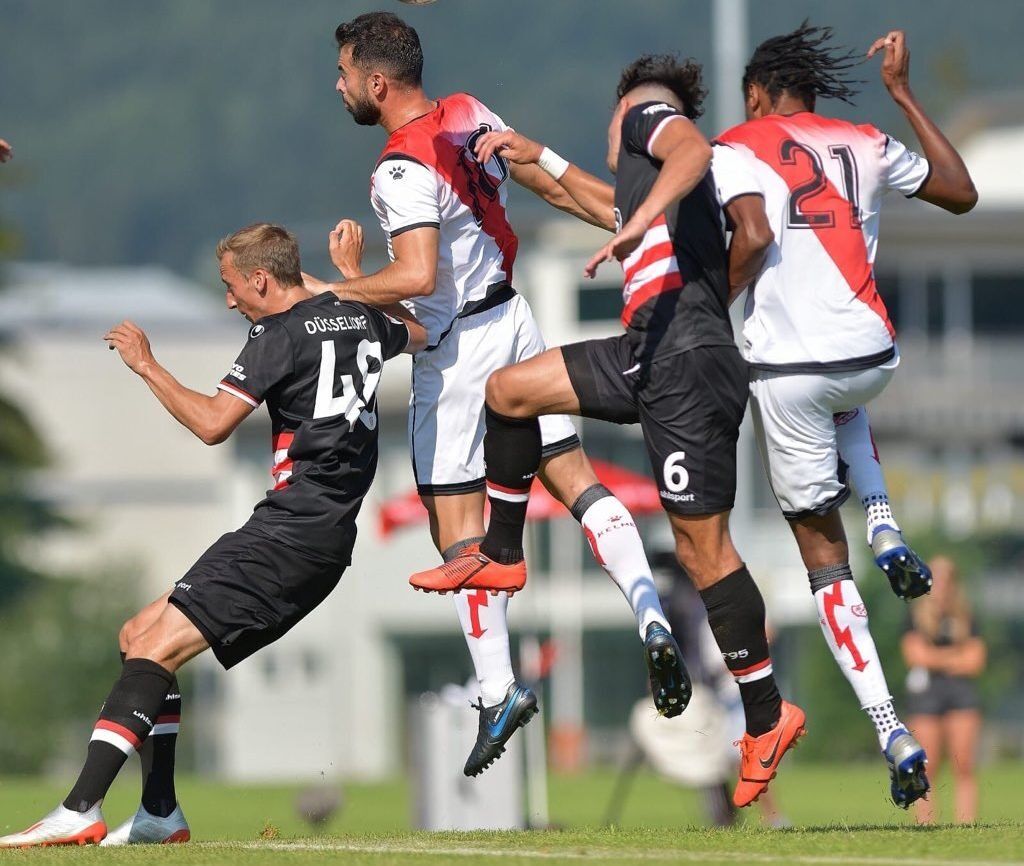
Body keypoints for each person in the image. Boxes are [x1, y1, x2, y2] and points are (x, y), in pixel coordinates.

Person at [424, 54, 805, 808]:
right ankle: (502, 553)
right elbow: (610, 204)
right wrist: (544, 160)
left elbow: (686, 153)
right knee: (510, 392)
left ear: (623, 108)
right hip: (649, 354)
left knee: (704, 551)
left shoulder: (647, 117)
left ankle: (767, 714)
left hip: (684, 365)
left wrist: (635, 215)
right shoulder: (652, 181)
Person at [315, 12, 690, 777]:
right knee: (573, 476)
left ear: (377, 84)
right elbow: (550, 184)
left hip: (459, 357)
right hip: (516, 318)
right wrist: (629, 219)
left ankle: (498, 689)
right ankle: (652, 613)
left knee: (456, 529)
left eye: (346, 75)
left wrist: (336, 288)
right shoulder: (469, 112)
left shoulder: (396, 169)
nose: (341, 86)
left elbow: (419, 280)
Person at [0, 224, 426, 848]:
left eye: (231, 286)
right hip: (311, 533)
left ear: (259, 280)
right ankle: (159, 812)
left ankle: (80, 808)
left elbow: (211, 424)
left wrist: (146, 365)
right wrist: (351, 281)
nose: (229, 301)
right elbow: (418, 330)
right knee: (138, 635)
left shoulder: (275, 337)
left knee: (153, 651)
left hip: (290, 534)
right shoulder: (358, 317)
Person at [711, 22, 977, 808]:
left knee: (825, 564)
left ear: (757, 94)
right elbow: (960, 192)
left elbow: (750, 240)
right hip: (871, 355)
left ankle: (891, 725)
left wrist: (709, 306)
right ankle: (886, 523)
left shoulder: (734, 144)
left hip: (790, 373)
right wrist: (901, 93)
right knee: (846, 399)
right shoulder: (864, 139)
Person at [902, 556, 986, 824]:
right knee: (926, 765)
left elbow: (975, 661)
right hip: (927, 694)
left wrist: (936, 657)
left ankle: (966, 822)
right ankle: (926, 823)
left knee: (964, 764)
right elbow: (915, 655)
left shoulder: (967, 617)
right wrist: (955, 657)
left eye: (946, 579)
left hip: (961, 693)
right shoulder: (914, 617)